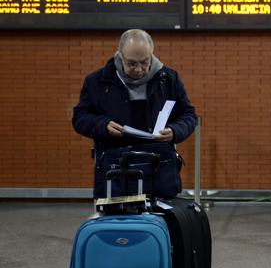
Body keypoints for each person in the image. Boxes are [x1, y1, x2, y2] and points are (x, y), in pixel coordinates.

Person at [73, 29, 198, 196]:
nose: (139, 69)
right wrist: (103, 125)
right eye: (132, 63)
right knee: (115, 221)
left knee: (160, 220)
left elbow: (188, 115)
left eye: (145, 62)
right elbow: (80, 117)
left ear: (152, 54)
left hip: (159, 170)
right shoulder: (97, 81)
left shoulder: (168, 79)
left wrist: (175, 131)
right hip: (115, 169)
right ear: (120, 56)